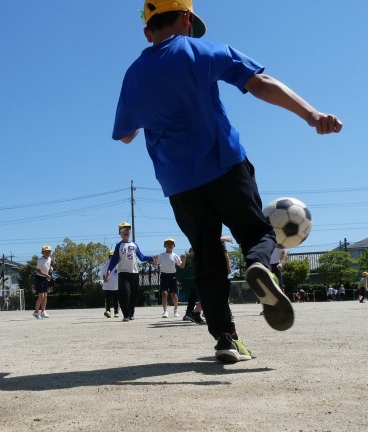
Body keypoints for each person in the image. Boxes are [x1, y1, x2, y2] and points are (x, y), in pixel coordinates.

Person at [112, 0, 342, 363]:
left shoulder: (133, 75)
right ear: (186, 19)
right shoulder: (202, 50)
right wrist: (311, 114)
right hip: (224, 165)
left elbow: (126, 135)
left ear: (147, 32)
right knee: (257, 234)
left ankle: (225, 338)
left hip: (179, 183)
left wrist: (154, 108)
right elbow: (259, 82)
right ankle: (260, 267)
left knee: (207, 257)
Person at [105, 222, 157, 321]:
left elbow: (141, 257)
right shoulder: (119, 246)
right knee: (125, 293)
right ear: (120, 233)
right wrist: (109, 270)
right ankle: (125, 314)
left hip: (134, 273)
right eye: (123, 230)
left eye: (128, 229)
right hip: (123, 273)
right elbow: (114, 260)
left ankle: (131, 312)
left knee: (135, 294)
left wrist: (151, 258)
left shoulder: (134, 245)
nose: (126, 231)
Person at [158, 238, 186, 318]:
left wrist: (184, 260)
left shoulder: (175, 256)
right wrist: (154, 260)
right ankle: (165, 311)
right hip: (164, 275)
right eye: (167, 243)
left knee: (174, 294)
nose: (169, 245)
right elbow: (155, 264)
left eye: (171, 244)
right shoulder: (161, 255)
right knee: (164, 293)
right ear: (164, 245)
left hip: (172, 275)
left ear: (174, 246)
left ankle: (176, 310)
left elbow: (182, 266)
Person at [33, 245, 53, 319]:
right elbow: (38, 271)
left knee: (45, 295)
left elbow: (48, 266)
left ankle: (43, 312)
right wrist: (46, 275)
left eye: (49, 251)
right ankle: (36, 312)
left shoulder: (49, 259)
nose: (48, 253)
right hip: (39, 278)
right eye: (46, 252)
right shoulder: (40, 260)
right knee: (41, 296)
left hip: (45, 278)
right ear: (43, 252)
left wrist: (51, 267)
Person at [101, 251, 120, 318]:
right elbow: (103, 274)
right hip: (107, 286)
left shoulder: (118, 265)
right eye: (110, 256)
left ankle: (116, 312)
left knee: (116, 300)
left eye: (112, 256)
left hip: (116, 286)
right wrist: (104, 278)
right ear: (109, 257)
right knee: (107, 300)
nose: (111, 257)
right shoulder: (105, 265)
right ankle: (108, 311)